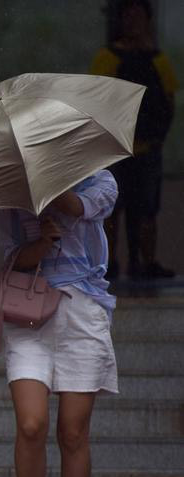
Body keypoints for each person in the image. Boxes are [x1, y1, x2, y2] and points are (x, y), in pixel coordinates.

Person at [0, 170, 119, 477]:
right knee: (31, 424)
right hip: (29, 314)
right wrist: (38, 244)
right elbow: (8, 260)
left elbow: (79, 207)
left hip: (83, 315)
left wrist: (48, 185)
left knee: (73, 431)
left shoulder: (101, 180)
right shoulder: (14, 192)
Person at [90, 0, 177, 280]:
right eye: (127, 15)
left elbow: (169, 101)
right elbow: (95, 100)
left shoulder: (158, 60)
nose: (132, 21)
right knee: (112, 210)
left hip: (147, 148)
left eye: (137, 15)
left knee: (147, 210)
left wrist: (158, 137)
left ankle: (146, 262)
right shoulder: (108, 57)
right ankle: (109, 263)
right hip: (115, 149)